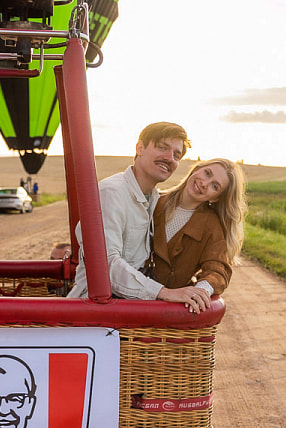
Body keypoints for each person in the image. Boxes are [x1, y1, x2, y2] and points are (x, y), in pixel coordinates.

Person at [68, 123, 216, 313]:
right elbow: (106, 265)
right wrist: (163, 292)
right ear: (140, 148)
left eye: (176, 155)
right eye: (162, 147)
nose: (169, 158)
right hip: (94, 312)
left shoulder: (154, 199)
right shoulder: (112, 193)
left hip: (127, 307)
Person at [149, 159, 246, 308]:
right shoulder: (153, 201)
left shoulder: (211, 226)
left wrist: (201, 290)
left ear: (215, 197)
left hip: (170, 311)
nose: (204, 184)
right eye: (207, 173)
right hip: (128, 301)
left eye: (215, 186)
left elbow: (218, 270)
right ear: (196, 169)